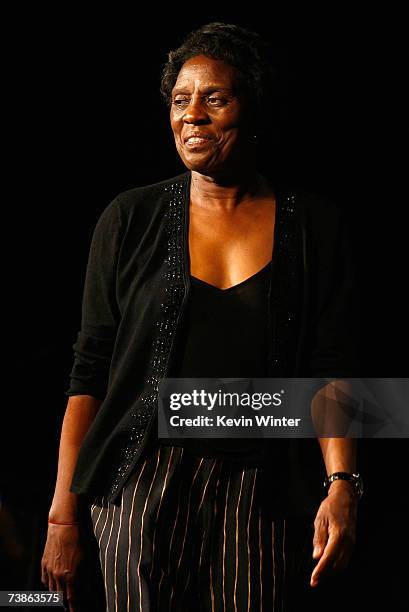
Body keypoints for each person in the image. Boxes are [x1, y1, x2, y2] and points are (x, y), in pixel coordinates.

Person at [41, 22, 361, 612]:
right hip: (140, 483)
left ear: (254, 107)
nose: (193, 115)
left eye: (216, 98)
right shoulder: (129, 218)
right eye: (180, 100)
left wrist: (343, 483)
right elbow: (89, 376)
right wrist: (64, 513)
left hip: (264, 488)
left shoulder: (317, 225)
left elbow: (332, 369)